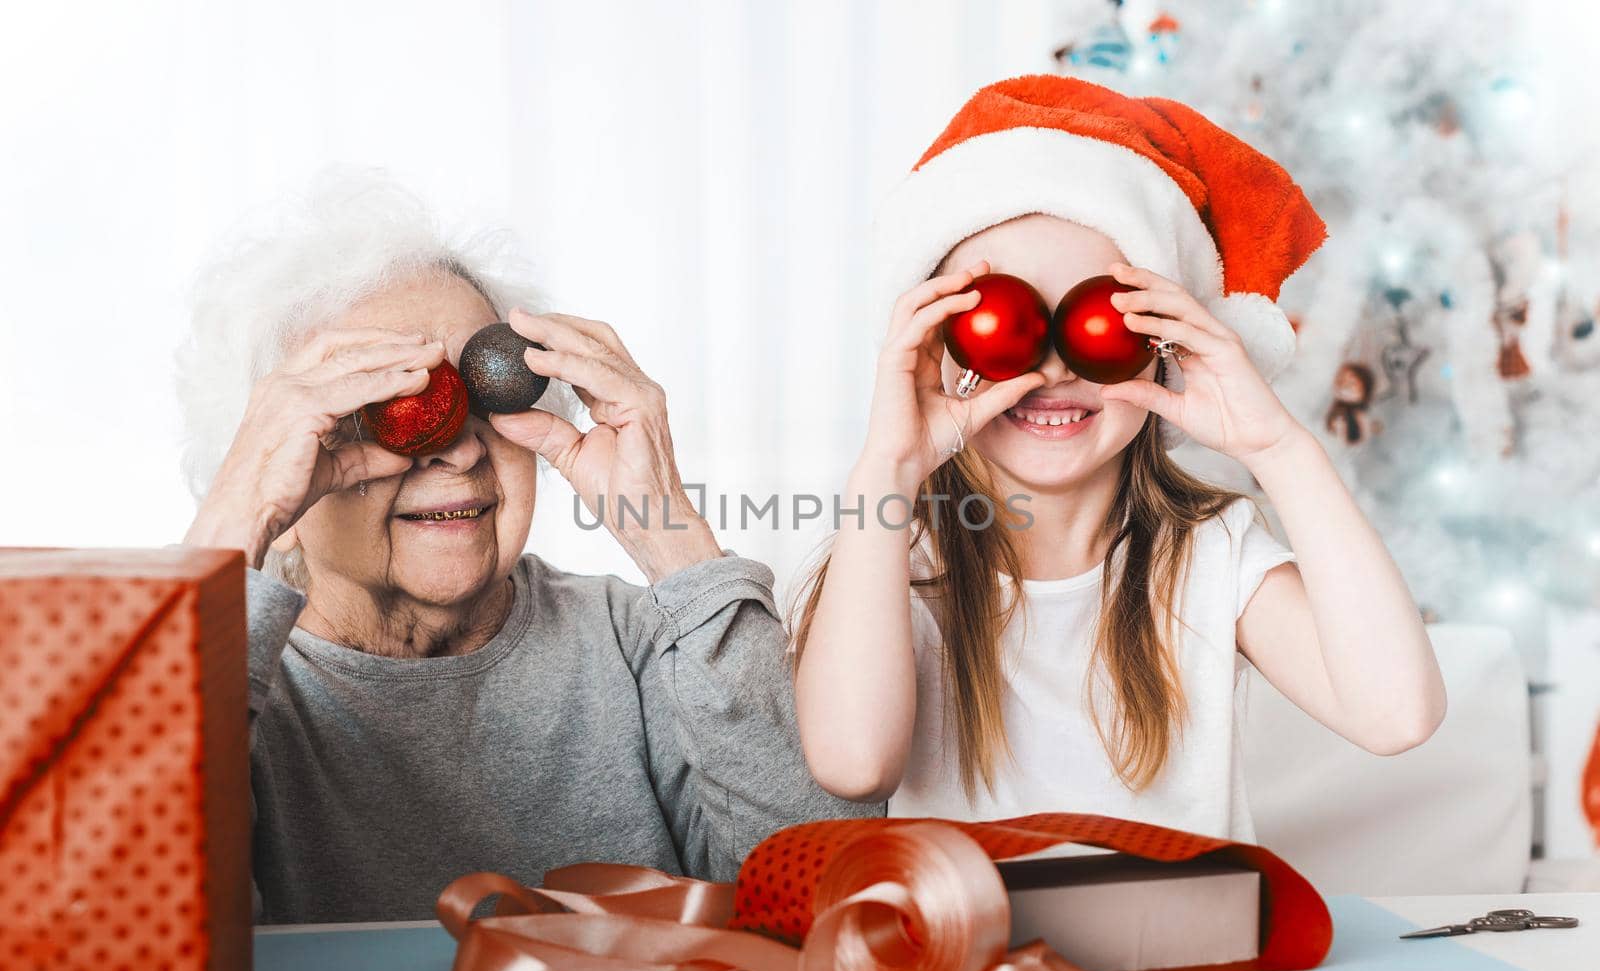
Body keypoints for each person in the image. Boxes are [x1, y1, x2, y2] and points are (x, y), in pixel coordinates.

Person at [178, 172, 877, 924]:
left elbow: (836, 902)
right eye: (382, 404)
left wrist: (670, 533)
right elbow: (136, 937)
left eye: (482, 394)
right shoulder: (223, 685)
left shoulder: (642, 642)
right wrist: (233, 521)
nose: (458, 449)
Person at [791, 76, 1446, 840]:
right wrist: (888, 470)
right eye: (1006, 321)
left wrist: (1278, 446)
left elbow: (1397, 715)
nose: (1055, 369)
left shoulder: (1210, 558)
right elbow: (853, 764)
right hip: (978, 955)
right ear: (937, 349)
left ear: (1163, 349)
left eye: (1102, 321)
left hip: (1181, 955)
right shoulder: (897, 560)